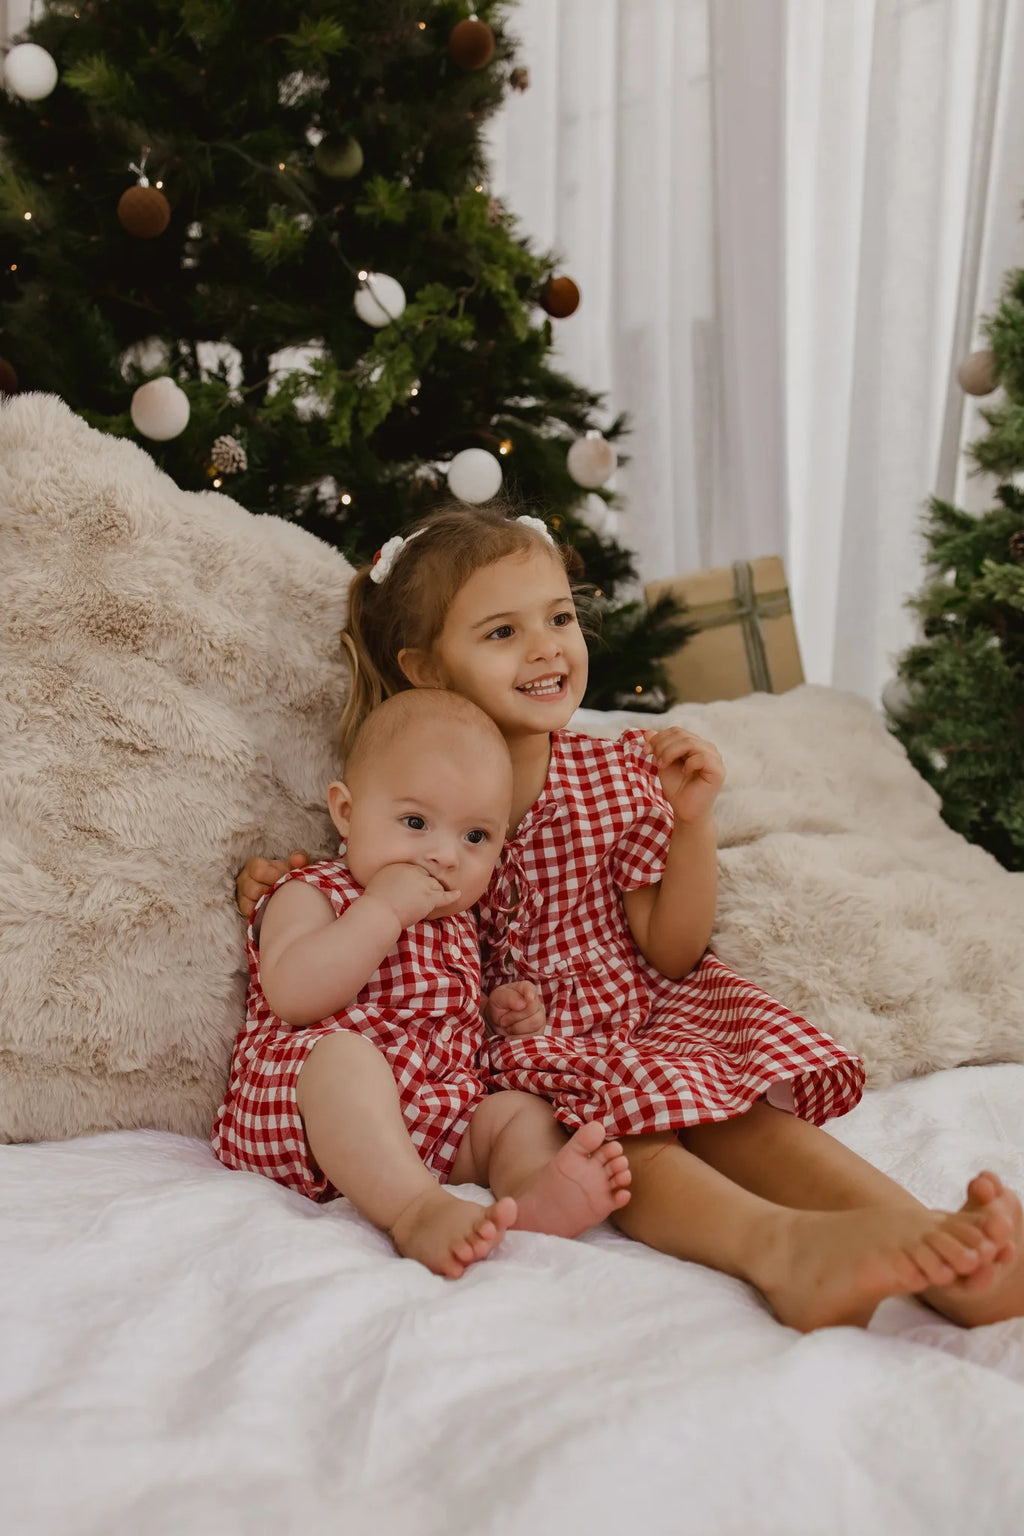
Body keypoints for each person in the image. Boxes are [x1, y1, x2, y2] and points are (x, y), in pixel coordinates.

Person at [238, 507, 1024, 1332]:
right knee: (629, 1138)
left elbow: (672, 952)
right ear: (426, 668)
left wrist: (691, 824)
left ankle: (934, 1241)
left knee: (741, 1118)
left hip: (633, 1016)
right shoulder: (417, 803)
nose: (547, 649)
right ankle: (784, 1252)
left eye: (560, 618)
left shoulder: (611, 775)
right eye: (503, 631)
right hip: (533, 1062)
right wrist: (281, 884)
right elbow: (354, 891)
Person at [215, 687, 631, 1280]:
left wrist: (495, 1012)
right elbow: (292, 994)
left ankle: (534, 1193)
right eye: (415, 823)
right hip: (309, 1115)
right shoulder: (314, 892)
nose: (445, 856)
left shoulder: (457, 922)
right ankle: (416, 1211)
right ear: (346, 812)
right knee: (345, 1060)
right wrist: (380, 911)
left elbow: (435, 1007)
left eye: (475, 837)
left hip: (431, 1116)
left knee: (516, 1112)